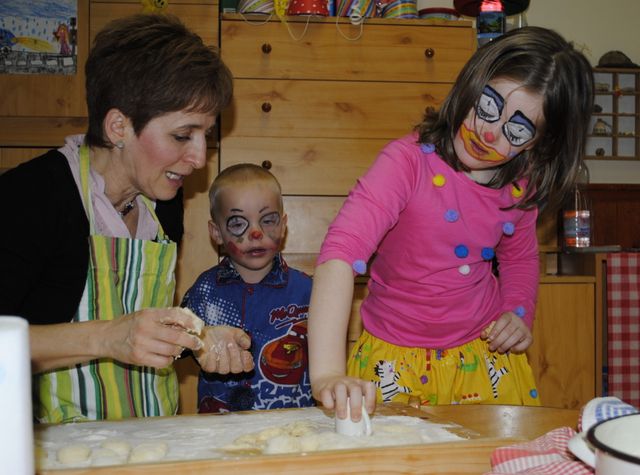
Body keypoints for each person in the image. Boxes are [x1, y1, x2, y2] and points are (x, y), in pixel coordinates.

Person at [307, 26, 594, 421]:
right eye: (488, 105)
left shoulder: (520, 188)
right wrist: (326, 373)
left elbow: (520, 259)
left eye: (517, 129)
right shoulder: (406, 162)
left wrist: (517, 313)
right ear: (470, 85)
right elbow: (341, 252)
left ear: (536, 143)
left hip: (484, 358)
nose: (489, 132)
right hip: (394, 360)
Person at [0, 13, 254, 424]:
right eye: (182, 135)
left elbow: (138, 328)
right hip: (49, 445)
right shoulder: (30, 197)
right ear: (118, 126)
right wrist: (107, 337)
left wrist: (198, 339)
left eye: (205, 135)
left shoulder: (161, 202)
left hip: (150, 439)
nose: (198, 158)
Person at [181, 163, 315, 413]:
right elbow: (177, 341)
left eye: (268, 220)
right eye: (237, 223)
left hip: (291, 425)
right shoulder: (205, 290)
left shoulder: (308, 291)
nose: (256, 233)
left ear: (283, 225)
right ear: (216, 232)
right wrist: (197, 339)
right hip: (220, 425)